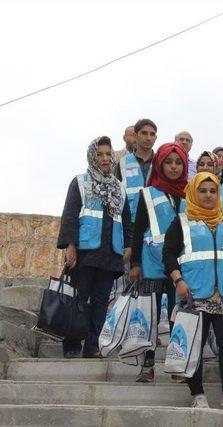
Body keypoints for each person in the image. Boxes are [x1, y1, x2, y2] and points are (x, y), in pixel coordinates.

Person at [163, 172, 223, 409]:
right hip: (194, 294)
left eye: (213, 191)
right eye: (203, 191)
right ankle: (198, 395)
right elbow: (168, 254)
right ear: (194, 193)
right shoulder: (181, 221)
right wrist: (178, 280)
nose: (209, 195)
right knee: (195, 345)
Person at [57, 137, 132, 358]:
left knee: (100, 301)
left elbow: (126, 220)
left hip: (110, 253)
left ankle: (92, 345)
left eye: (109, 154)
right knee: (80, 298)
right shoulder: (80, 181)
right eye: (100, 154)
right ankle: (71, 342)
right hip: (85, 251)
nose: (105, 159)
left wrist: (128, 246)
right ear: (92, 156)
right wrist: (70, 246)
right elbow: (70, 215)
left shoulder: (119, 188)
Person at [129, 142, 188, 382]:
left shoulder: (190, 194)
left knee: (178, 315)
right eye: (168, 162)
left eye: (178, 163)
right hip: (152, 263)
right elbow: (137, 229)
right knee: (150, 315)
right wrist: (135, 263)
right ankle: (147, 365)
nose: (173, 167)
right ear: (160, 164)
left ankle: (176, 365)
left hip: (180, 265)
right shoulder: (148, 193)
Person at [117, 118, 157, 221]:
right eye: (144, 133)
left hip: (157, 221)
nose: (148, 138)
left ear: (155, 138)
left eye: (152, 134)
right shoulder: (122, 163)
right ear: (135, 135)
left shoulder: (162, 162)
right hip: (130, 222)